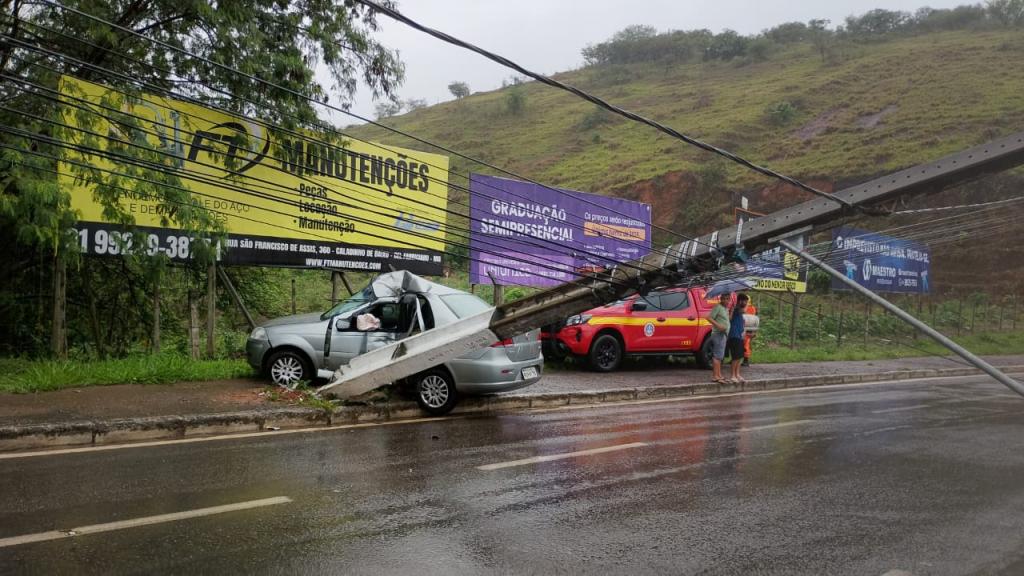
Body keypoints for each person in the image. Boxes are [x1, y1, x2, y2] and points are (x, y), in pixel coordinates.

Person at [707, 292, 731, 384]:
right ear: (721, 299)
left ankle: (719, 375)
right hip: (718, 334)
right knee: (717, 356)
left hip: (724, 334)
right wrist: (719, 326)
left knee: (720, 356)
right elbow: (709, 318)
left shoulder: (725, 308)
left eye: (727, 298)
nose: (726, 300)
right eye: (724, 298)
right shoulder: (717, 307)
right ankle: (715, 376)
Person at [727, 293, 749, 383]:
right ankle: (733, 375)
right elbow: (742, 311)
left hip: (739, 335)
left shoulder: (738, 308)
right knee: (735, 357)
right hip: (734, 335)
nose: (746, 303)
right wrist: (743, 304)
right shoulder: (736, 309)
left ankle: (737, 374)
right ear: (740, 301)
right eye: (745, 301)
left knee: (740, 356)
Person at [742, 302, 759, 367]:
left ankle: (746, 361)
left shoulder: (746, 308)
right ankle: (744, 360)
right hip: (749, 329)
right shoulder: (753, 308)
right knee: (745, 345)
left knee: (746, 345)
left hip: (746, 329)